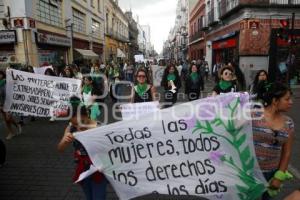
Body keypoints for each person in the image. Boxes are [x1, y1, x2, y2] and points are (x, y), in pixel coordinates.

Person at [57, 96, 107, 200]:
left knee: (98, 197)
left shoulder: (100, 127)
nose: (79, 127)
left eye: (82, 121)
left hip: (99, 169)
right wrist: (64, 140)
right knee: (89, 196)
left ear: (87, 115)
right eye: (75, 123)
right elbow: (60, 149)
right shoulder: (71, 128)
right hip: (83, 169)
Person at [252, 82, 294, 200]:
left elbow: (287, 152)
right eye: (287, 99)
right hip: (250, 173)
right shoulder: (254, 114)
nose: (291, 102)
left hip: (271, 174)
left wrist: (279, 176)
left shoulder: (289, 123)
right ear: (275, 101)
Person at [0, 70, 22, 140]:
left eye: (0, 74)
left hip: (8, 103)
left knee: (8, 118)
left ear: (2, 75)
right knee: (6, 120)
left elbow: (15, 83)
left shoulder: (6, 82)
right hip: (1, 104)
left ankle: (16, 126)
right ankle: (11, 132)